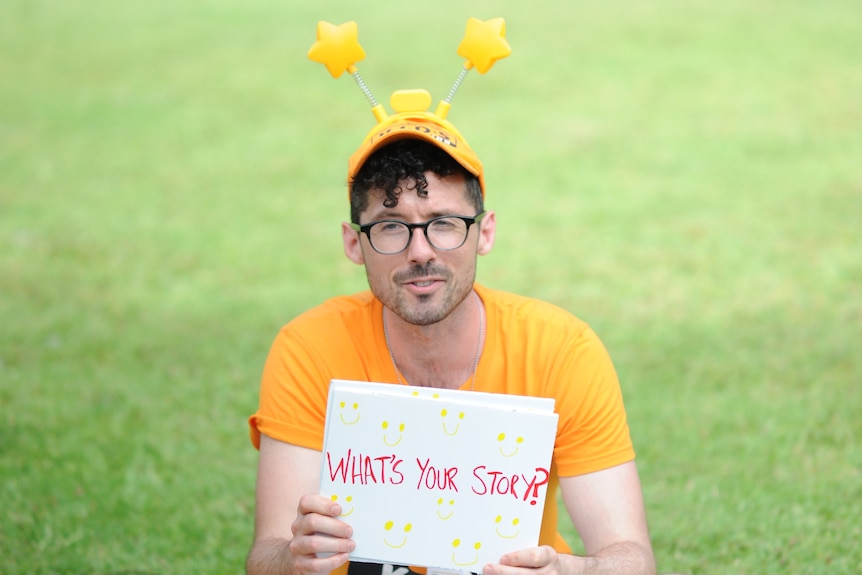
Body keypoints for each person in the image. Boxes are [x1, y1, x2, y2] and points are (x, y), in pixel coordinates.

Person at [245, 106, 656, 575]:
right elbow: (267, 556)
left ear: (485, 232)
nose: (420, 252)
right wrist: (290, 560)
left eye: (443, 222)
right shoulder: (309, 349)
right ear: (354, 243)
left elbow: (630, 557)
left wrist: (570, 572)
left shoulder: (562, 350)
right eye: (390, 226)